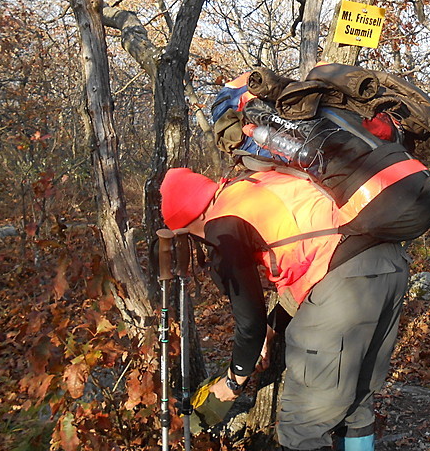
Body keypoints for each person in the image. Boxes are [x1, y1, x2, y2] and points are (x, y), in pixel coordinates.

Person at [160, 166, 416, 451]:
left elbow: (249, 323)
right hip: (389, 264)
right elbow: (307, 256)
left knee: (302, 426)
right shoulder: (252, 184)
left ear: (187, 222)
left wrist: (234, 382)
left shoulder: (221, 226)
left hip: (345, 282)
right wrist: (272, 330)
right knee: (356, 404)